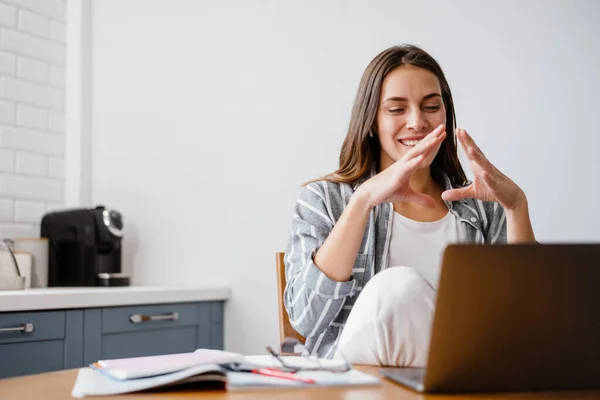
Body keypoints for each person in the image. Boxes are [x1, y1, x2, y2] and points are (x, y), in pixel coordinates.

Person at [282, 44, 536, 366]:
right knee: (396, 289)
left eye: (431, 106)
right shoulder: (325, 200)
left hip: (461, 375)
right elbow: (306, 320)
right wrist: (362, 202)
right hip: (358, 382)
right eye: (397, 109)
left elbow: (528, 321)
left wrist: (516, 208)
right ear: (371, 121)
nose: (417, 122)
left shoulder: (482, 207)